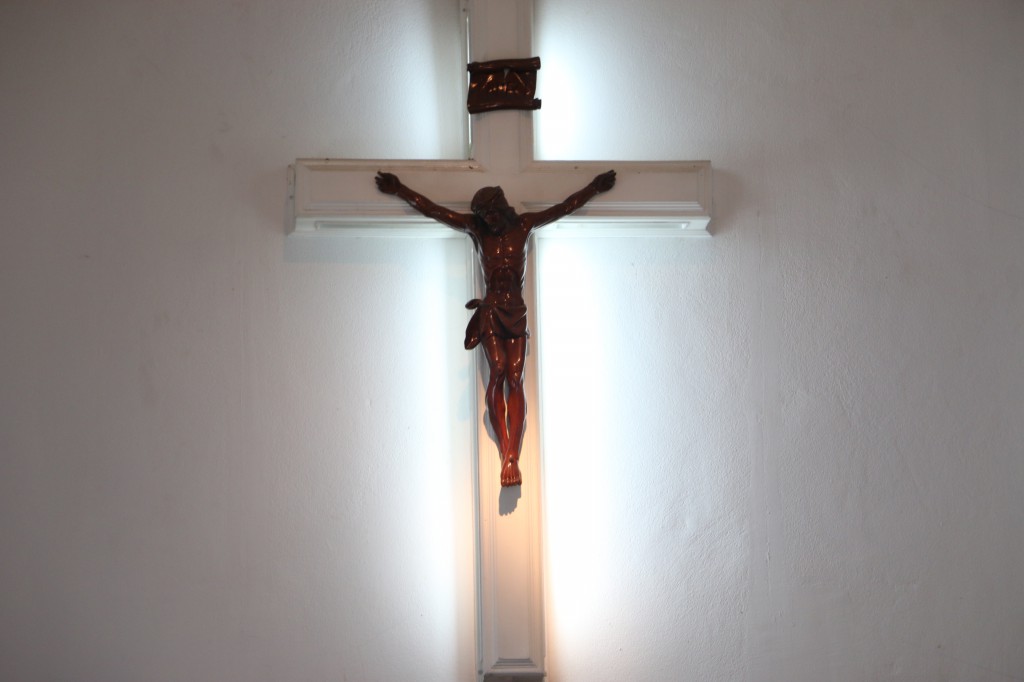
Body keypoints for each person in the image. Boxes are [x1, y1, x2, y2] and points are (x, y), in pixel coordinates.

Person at [375, 169, 616, 487]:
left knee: (516, 376)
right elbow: (434, 210)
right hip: (490, 311)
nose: (488, 220)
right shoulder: (478, 231)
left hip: (515, 311)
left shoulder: (524, 226)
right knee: (498, 371)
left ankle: (513, 452)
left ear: (501, 207)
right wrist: (400, 190)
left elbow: (565, 207)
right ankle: (506, 452)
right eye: (483, 215)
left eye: (491, 213)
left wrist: (594, 188)